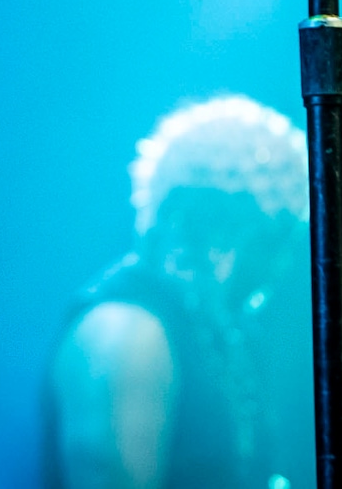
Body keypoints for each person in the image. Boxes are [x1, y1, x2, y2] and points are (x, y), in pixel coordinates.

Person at [45, 95, 314, 489]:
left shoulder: (216, 335)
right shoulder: (128, 331)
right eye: (277, 243)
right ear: (235, 228)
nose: (281, 267)